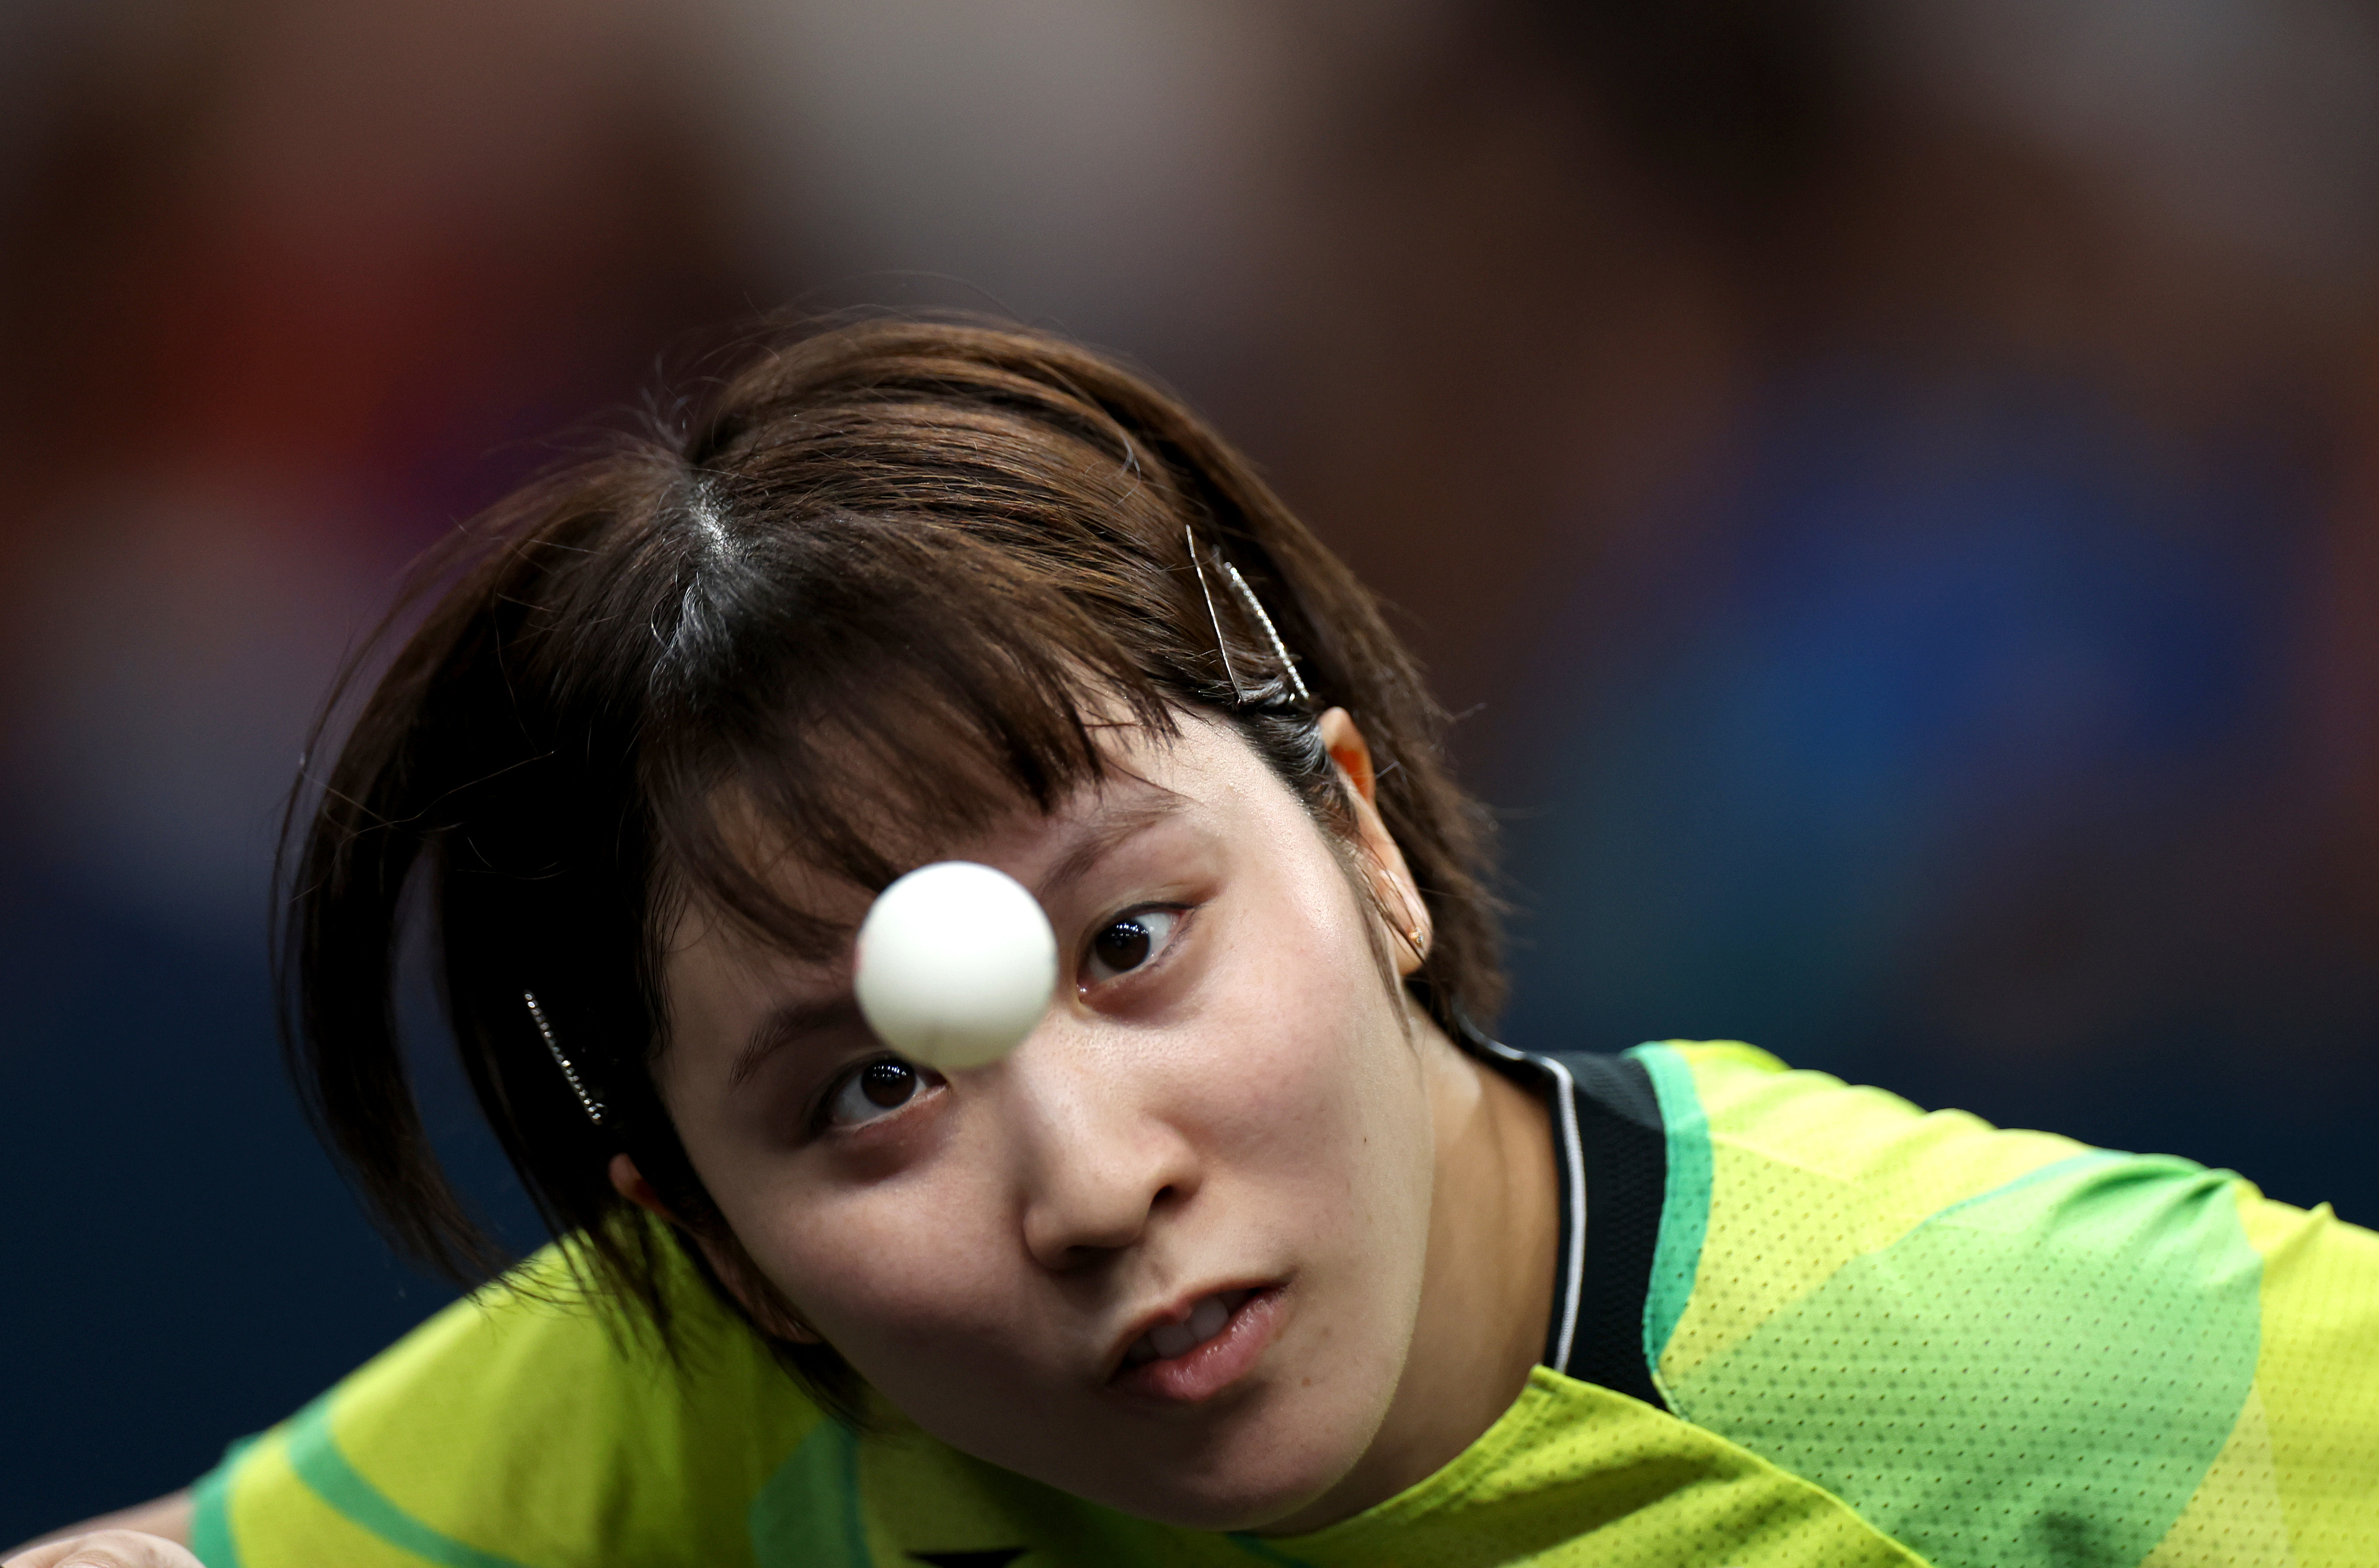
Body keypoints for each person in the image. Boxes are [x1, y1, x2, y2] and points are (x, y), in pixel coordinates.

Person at [13, 319, 2377, 1568]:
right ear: (721, 1261)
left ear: (1356, 841)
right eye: (865, 1094)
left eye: (1134, 937)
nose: (1086, 1175)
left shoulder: (2023, 1375)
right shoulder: (726, 1393)